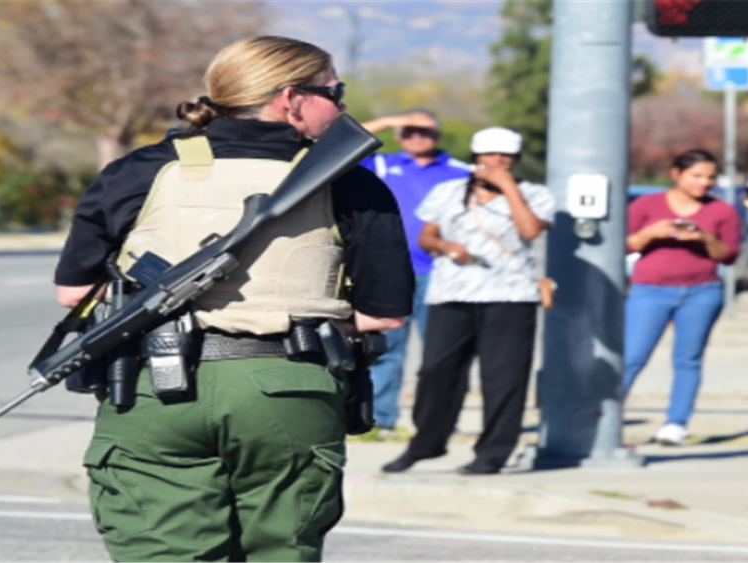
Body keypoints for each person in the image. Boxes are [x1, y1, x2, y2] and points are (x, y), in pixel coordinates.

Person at [53, 36, 414, 562]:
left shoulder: (141, 169)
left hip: (153, 387)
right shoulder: (351, 184)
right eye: (334, 92)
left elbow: (74, 292)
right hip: (290, 386)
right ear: (292, 99)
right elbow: (385, 313)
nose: (341, 105)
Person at [380, 127, 555, 475]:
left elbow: (530, 231)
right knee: (436, 371)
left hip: (510, 295)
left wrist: (508, 188)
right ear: (477, 157)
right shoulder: (447, 192)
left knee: (503, 377)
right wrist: (446, 247)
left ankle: (492, 454)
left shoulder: (534, 194)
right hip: (451, 292)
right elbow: (427, 236)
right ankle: (426, 443)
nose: (498, 162)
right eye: (491, 156)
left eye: (506, 157)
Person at [358, 110, 471, 432]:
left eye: (426, 131)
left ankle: (438, 422)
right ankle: (382, 420)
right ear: (398, 134)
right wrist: (391, 120)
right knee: (387, 350)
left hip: (444, 274)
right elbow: (338, 143)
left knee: (441, 354)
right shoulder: (381, 164)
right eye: (409, 131)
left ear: (439, 134)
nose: (418, 136)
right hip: (391, 271)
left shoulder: (461, 172)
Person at [622, 149, 741, 446]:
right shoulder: (646, 204)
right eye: (696, 176)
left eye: (710, 177)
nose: (704, 183)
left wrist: (704, 237)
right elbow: (624, 245)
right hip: (649, 291)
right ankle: (605, 418)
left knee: (688, 359)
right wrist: (651, 232)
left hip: (702, 292)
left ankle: (676, 423)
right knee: (632, 356)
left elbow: (728, 256)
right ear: (676, 174)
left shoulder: (721, 211)